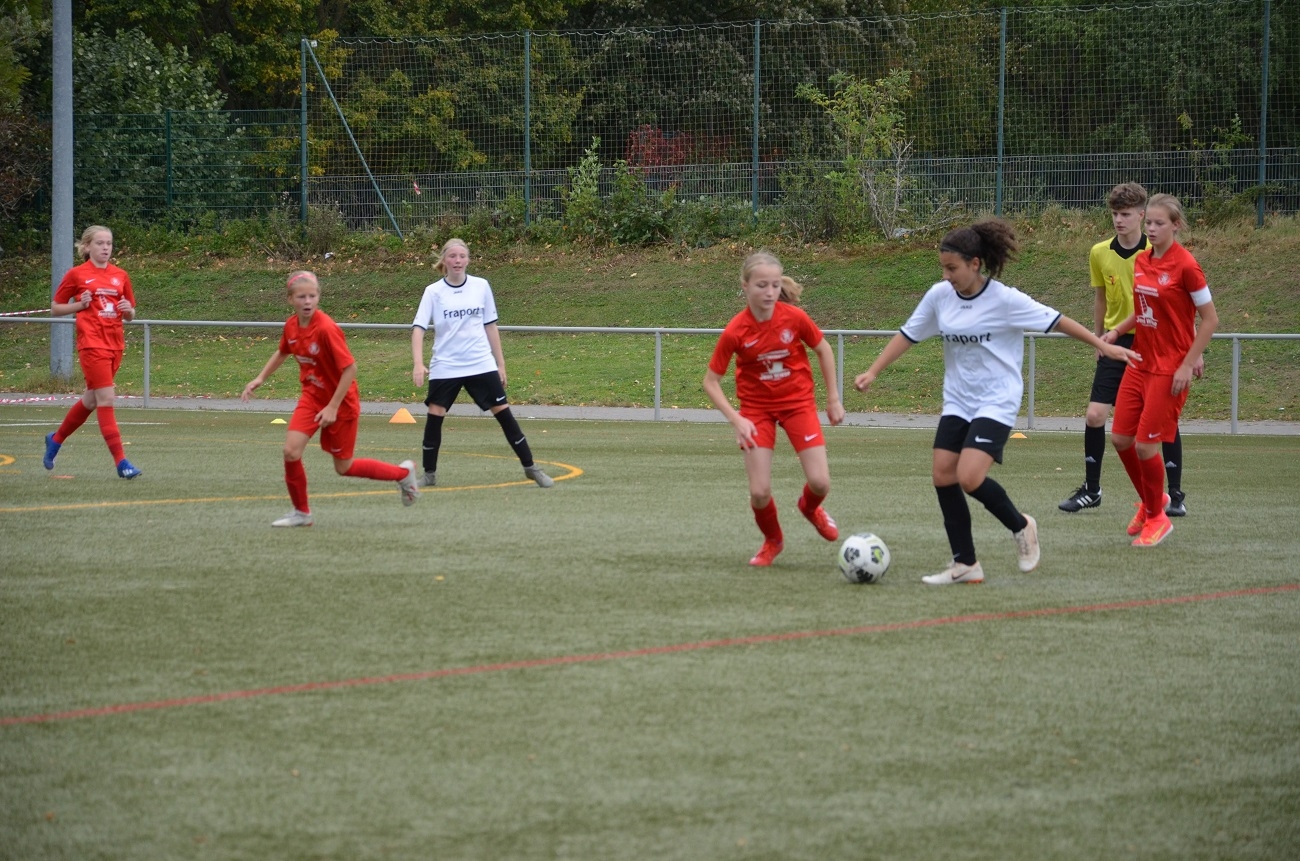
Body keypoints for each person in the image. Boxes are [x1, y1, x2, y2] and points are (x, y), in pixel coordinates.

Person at [853, 219, 1140, 585]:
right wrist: (873, 371)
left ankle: (1022, 527)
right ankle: (965, 564)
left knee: (969, 477)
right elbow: (909, 334)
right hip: (958, 400)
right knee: (943, 474)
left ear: (975, 264)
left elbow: (1058, 321)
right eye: (943, 268)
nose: (945, 276)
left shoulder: (1005, 299)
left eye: (952, 268)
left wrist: (1103, 345)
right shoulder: (939, 296)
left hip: (997, 400)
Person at [1059, 182, 1196, 517]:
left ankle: (1174, 494)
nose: (1119, 220)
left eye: (1126, 214)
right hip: (1116, 341)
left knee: (1160, 420)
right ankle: (1092, 490)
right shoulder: (1099, 252)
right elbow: (1100, 298)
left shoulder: (1158, 251)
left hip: (1155, 342)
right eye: (1115, 214)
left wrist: (1194, 351)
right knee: (1095, 415)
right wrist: (1099, 338)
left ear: (1141, 215)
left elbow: (1181, 305)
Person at [242, 271, 420, 527]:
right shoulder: (291, 326)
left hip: (341, 403)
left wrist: (333, 407)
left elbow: (350, 369)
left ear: (318, 297)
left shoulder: (326, 328)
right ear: (290, 299)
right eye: (301, 297)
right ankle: (302, 513)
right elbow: (283, 351)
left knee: (343, 467)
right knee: (291, 451)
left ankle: (403, 473)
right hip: (312, 397)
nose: (307, 301)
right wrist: (260, 378)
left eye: (312, 296)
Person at [703, 250, 845, 567]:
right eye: (762, 285)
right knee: (759, 492)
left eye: (775, 285)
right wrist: (737, 419)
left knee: (820, 483)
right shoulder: (736, 330)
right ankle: (773, 541)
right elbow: (710, 382)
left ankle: (809, 508)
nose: (769, 292)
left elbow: (823, 349)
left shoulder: (794, 318)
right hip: (756, 411)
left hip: (797, 404)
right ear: (745, 286)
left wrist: (833, 398)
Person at [1105, 193, 1217, 547]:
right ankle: (1154, 502)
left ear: (1176, 225)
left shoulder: (1187, 266)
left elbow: (1210, 320)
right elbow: (1144, 310)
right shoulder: (1142, 260)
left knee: (1145, 447)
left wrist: (1188, 362)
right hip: (1140, 361)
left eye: (1159, 223)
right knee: (1120, 439)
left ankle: (1157, 518)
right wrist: (1116, 332)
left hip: (1169, 368)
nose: (1151, 229)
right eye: (1149, 223)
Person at [410, 238, 553, 488]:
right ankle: (429, 475)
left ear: (468, 259)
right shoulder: (433, 292)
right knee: (435, 415)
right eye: (452, 256)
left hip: (480, 363)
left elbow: (491, 326)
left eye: (462, 256)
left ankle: (531, 468)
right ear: (444, 260)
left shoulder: (481, 286)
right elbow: (418, 328)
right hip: (446, 365)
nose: (457, 261)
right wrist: (418, 363)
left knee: (504, 413)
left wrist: (500, 364)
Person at [43, 225, 142, 479]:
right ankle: (122, 463)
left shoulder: (121, 275)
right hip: (91, 344)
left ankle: (56, 439)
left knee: (91, 400)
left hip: (115, 344)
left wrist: (128, 310)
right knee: (106, 399)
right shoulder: (77, 274)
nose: (105, 248)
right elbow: (56, 308)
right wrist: (80, 305)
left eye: (109, 243)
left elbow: (130, 313)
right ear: (87, 246)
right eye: (100, 243)